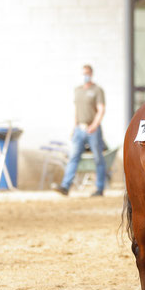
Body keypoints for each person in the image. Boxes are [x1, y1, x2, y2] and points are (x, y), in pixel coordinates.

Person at [53, 64, 107, 196]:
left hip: (93, 129)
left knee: (98, 159)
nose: (85, 76)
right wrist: (74, 126)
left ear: (91, 74)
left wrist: (94, 125)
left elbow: (101, 109)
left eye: (87, 73)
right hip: (79, 129)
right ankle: (65, 186)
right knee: (74, 157)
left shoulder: (97, 90)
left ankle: (99, 188)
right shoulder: (77, 90)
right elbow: (76, 111)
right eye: (83, 73)